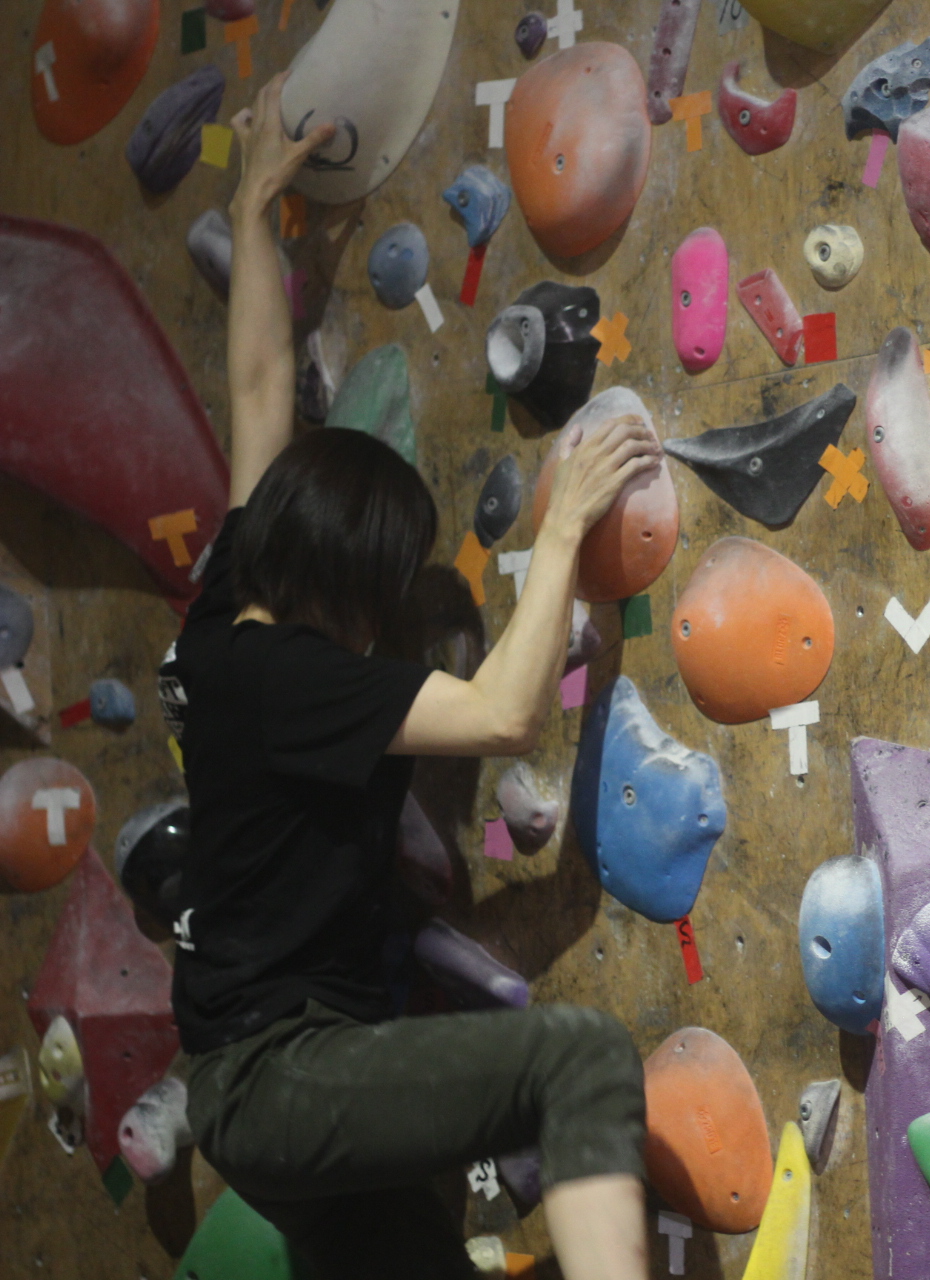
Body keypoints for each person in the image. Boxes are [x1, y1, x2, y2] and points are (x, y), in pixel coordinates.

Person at [159, 74, 661, 1280]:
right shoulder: (294, 674)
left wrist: (259, 203)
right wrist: (565, 525)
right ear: (345, 575)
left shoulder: (228, 619)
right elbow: (503, 713)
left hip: (257, 1096)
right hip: (287, 1074)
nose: (385, 620)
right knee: (579, 1059)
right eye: (385, 588)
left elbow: (260, 392)